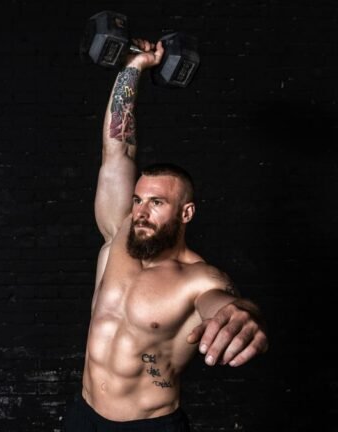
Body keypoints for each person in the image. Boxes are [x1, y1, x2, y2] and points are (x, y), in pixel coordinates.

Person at [63, 39, 269, 431]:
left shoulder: (197, 278)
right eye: (139, 200)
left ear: (186, 212)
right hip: (84, 416)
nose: (140, 210)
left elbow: (223, 305)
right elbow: (118, 150)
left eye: (156, 203)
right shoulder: (118, 238)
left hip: (150, 426)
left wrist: (243, 316)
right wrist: (135, 67)